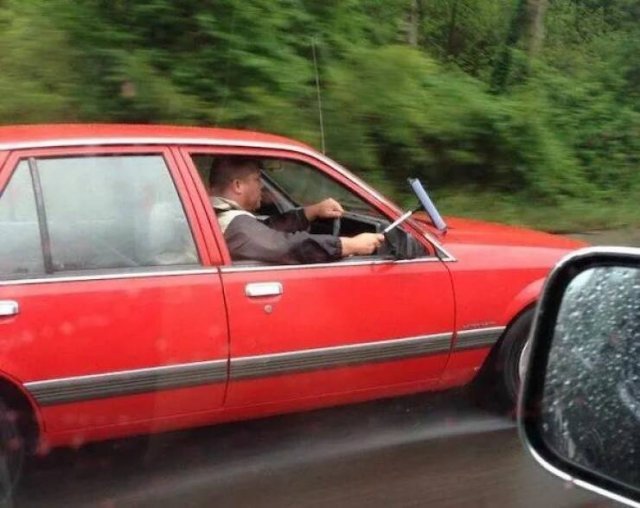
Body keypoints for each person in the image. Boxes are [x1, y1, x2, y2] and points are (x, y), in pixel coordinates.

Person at [209, 157, 384, 264]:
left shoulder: (220, 216)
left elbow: (267, 229)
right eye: (257, 179)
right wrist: (351, 245)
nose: (261, 186)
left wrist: (311, 211)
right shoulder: (234, 225)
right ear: (238, 185)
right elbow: (288, 247)